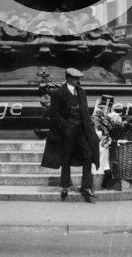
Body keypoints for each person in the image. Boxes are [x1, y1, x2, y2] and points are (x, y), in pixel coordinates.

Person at [41, 67, 100, 203]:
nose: (78, 81)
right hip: (67, 131)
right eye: (75, 78)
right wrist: (66, 126)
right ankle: (65, 185)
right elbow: (54, 114)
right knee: (65, 158)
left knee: (88, 154)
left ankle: (86, 186)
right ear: (68, 78)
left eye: (78, 78)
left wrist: (89, 125)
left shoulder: (81, 92)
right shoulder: (58, 93)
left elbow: (84, 111)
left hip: (81, 130)